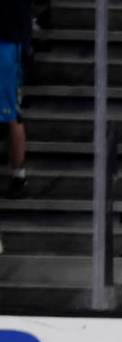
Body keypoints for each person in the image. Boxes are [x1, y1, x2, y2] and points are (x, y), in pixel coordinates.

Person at [1, 0, 30, 199]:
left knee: (11, 113)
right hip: (11, 41)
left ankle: (19, 175)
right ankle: (18, 175)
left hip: (7, 43)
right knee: (11, 113)